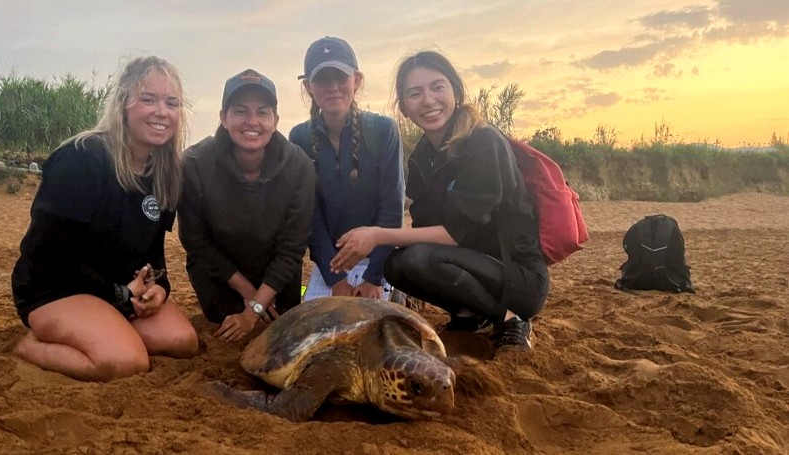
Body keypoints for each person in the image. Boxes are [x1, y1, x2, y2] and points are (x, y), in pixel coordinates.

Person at [330, 51, 550, 352]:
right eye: (415, 93)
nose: (428, 100)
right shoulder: (422, 157)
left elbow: (452, 233)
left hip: (517, 278)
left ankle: (511, 320)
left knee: (419, 258)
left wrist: (377, 234)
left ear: (456, 92)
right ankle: (468, 314)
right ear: (404, 107)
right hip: (467, 267)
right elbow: (426, 230)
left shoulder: (483, 141)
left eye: (437, 87)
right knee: (397, 265)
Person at [11, 56, 199, 381]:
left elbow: (153, 253)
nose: (162, 112)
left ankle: (107, 329)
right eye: (148, 99)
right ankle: (31, 346)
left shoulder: (165, 172)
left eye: (172, 103)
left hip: (119, 290)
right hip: (57, 289)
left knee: (181, 342)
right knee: (126, 362)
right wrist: (118, 293)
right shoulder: (80, 159)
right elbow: (49, 253)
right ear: (123, 103)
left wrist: (160, 289)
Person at [178, 69, 316, 343]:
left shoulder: (299, 165)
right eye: (240, 111)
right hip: (221, 275)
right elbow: (195, 241)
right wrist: (250, 297)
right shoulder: (193, 164)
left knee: (281, 321)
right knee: (224, 321)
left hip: (275, 277)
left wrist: (256, 306)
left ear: (275, 120)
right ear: (223, 117)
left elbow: (292, 247)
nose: (252, 121)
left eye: (262, 112)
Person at [289, 36, 404, 301]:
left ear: (357, 80)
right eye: (322, 79)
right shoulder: (299, 138)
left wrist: (374, 278)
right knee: (319, 326)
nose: (333, 87)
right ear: (308, 86)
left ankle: (397, 292)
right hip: (331, 267)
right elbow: (311, 217)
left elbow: (391, 209)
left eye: (340, 77)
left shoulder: (383, 130)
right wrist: (336, 279)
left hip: (377, 262)